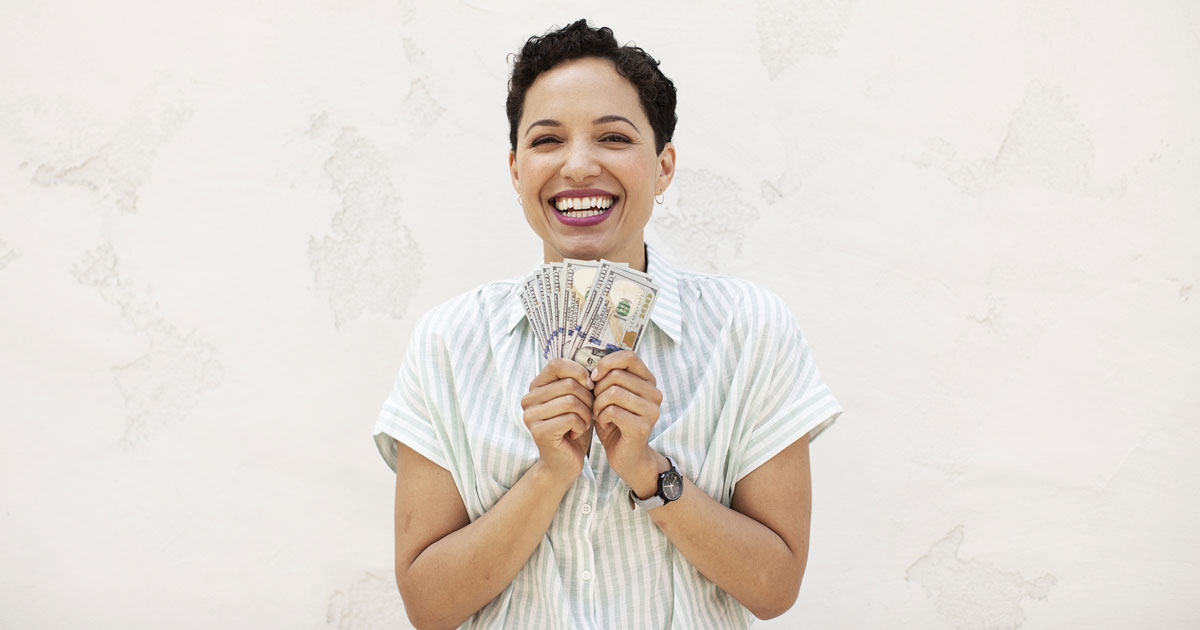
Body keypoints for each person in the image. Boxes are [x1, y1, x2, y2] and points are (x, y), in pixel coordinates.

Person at [373, 19, 842, 630]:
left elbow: (774, 587)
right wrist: (549, 475)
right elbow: (428, 607)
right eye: (547, 141)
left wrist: (648, 469)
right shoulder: (449, 341)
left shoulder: (748, 328)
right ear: (516, 170)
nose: (577, 166)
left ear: (664, 166)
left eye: (614, 138)